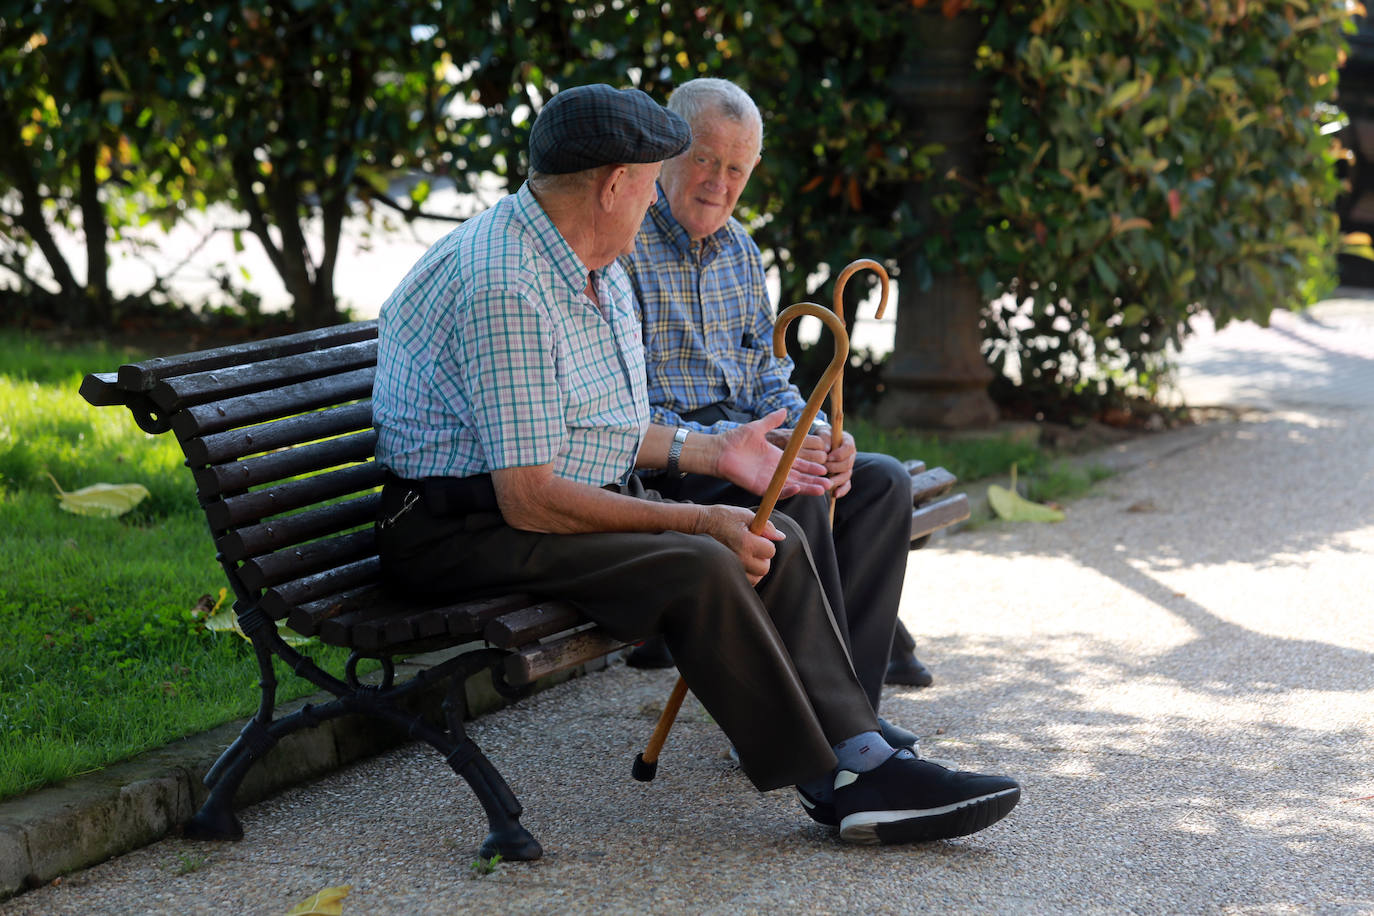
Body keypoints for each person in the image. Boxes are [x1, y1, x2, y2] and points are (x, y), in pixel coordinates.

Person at [371, 82, 1018, 844]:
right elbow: (530, 497)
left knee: (755, 531)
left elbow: (605, 428)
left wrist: (713, 451)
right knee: (706, 559)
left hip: (535, 495)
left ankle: (858, 751)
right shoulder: (507, 283)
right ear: (615, 185)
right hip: (455, 528)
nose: (654, 205)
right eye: (652, 181)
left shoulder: (586, 262)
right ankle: (841, 779)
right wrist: (698, 515)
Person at [620, 79, 934, 734]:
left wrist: (814, 431)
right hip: (669, 457)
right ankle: (810, 725)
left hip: (748, 437)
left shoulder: (740, 249)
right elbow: (621, 410)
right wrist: (761, 448)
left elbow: (767, 374)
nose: (718, 183)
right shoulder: (624, 244)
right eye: (705, 160)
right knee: (799, 492)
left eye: (736, 169)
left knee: (881, 484)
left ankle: (853, 719)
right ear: (672, 153)